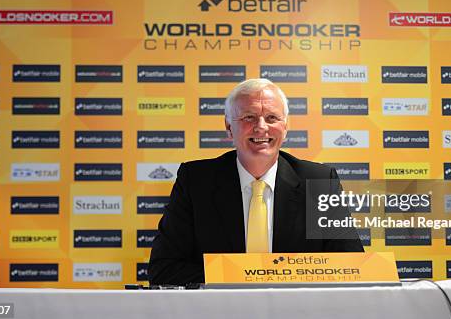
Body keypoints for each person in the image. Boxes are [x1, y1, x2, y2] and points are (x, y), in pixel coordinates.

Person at [148, 78, 364, 285]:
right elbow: (164, 269)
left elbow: (350, 266)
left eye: (272, 118)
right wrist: (243, 276)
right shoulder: (196, 181)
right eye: (249, 117)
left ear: (285, 126)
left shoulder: (318, 182)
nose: (261, 127)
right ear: (229, 126)